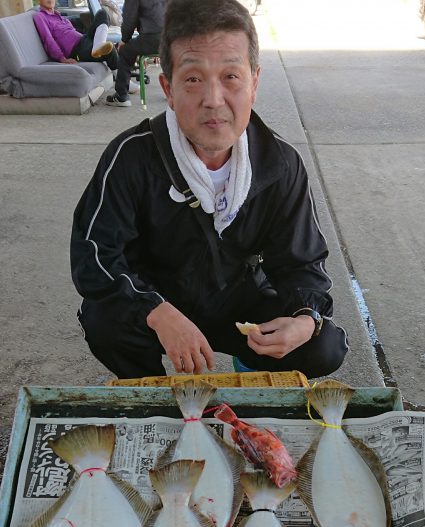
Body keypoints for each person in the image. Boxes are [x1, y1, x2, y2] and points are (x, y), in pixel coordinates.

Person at [71, 0, 348, 379]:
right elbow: (94, 254)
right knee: (102, 317)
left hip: (238, 299)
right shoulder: (131, 157)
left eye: (231, 76)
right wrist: (155, 309)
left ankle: (253, 361)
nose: (213, 100)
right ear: (168, 88)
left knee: (323, 343)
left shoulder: (279, 164)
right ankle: (149, 390)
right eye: (193, 79)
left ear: (254, 82)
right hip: (158, 298)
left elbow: (303, 264)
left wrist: (305, 318)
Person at [106, 0, 167, 107]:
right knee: (172, 55)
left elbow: (129, 20)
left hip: (152, 37)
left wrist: (124, 39)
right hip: (174, 36)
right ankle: (174, 91)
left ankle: (121, 96)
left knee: (125, 51)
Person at [34, 0, 118, 70]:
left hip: (83, 39)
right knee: (110, 49)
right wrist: (62, 58)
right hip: (77, 50)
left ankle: (98, 45)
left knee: (102, 12)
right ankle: (122, 80)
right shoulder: (40, 16)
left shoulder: (58, 15)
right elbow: (48, 39)